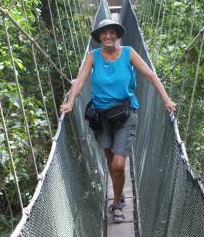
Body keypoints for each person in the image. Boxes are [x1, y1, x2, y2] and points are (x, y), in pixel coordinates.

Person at [60, 19, 175, 223]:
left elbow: (150, 75)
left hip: (125, 115)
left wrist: (166, 99)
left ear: (117, 35)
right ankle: (119, 193)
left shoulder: (129, 52)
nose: (108, 36)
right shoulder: (93, 56)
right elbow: (80, 80)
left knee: (119, 164)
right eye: (104, 33)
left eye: (112, 32)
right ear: (99, 37)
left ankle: (116, 204)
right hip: (101, 117)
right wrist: (69, 103)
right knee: (109, 160)